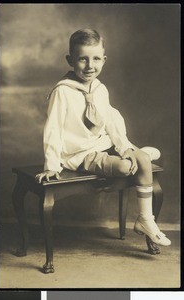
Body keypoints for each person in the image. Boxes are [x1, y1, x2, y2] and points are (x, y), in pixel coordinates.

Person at [35, 29, 171, 247]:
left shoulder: (99, 88)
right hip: (81, 154)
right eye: (83, 59)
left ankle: (145, 220)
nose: (90, 65)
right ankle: (141, 152)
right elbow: (53, 129)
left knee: (142, 160)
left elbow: (111, 120)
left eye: (96, 58)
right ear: (70, 60)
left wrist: (124, 146)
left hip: (103, 144)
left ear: (104, 60)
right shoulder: (62, 92)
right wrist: (52, 165)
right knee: (127, 168)